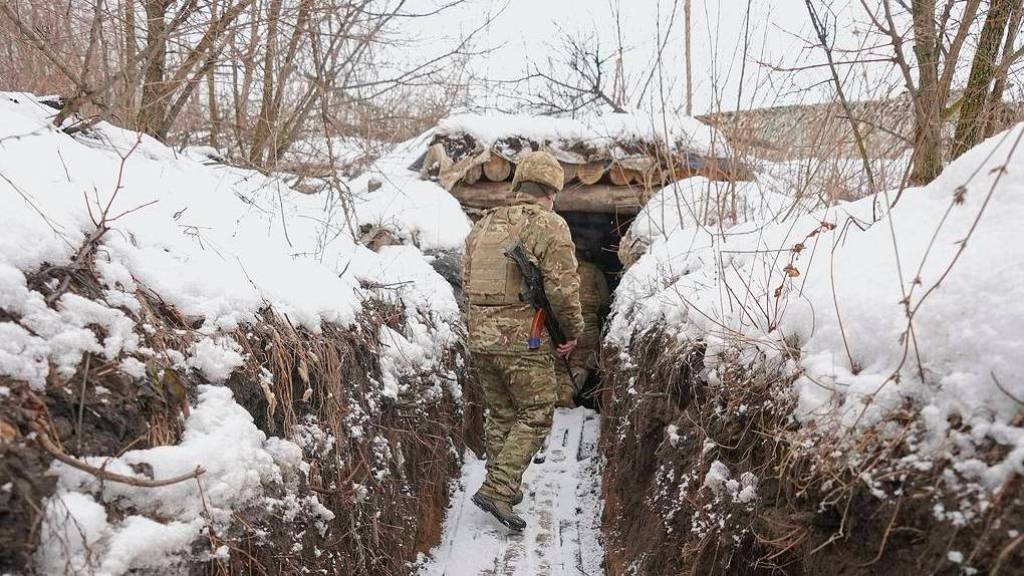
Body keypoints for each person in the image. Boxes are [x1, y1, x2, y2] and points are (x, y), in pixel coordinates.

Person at [461, 151, 585, 531]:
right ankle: (498, 488)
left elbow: (466, 281)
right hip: (523, 341)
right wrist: (572, 333)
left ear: (519, 186)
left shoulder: (483, 225)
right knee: (536, 412)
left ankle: (505, 485)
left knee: (502, 414)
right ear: (552, 191)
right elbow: (563, 290)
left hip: (481, 339)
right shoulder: (551, 225)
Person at [554, 252, 609, 408]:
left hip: (559, 325)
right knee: (582, 362)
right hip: (586, 326)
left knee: (558, 361)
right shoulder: (594, 271)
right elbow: (605, 301)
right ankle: (567, 393)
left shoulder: (557, 271)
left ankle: (554, 394)